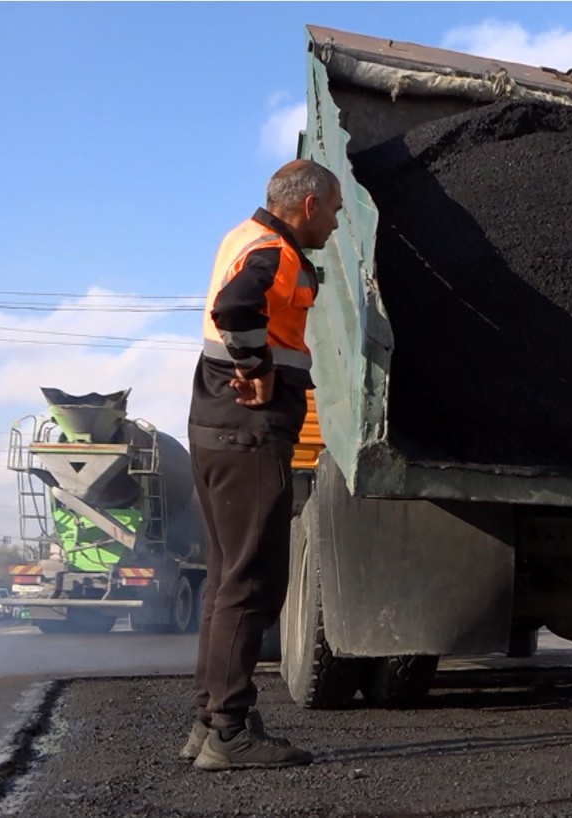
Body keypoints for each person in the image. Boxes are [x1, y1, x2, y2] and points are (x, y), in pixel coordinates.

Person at [182, 159, 343, 772]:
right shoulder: (273, 251)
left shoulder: (240, 235)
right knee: (252, 583)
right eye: (331, 209)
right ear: (307, 206)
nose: (333, 223)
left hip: (216, 427)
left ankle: (211, 721)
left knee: (228, 581)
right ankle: (227, 732)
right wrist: (254, 369)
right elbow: (236, 308)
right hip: (246, 430)